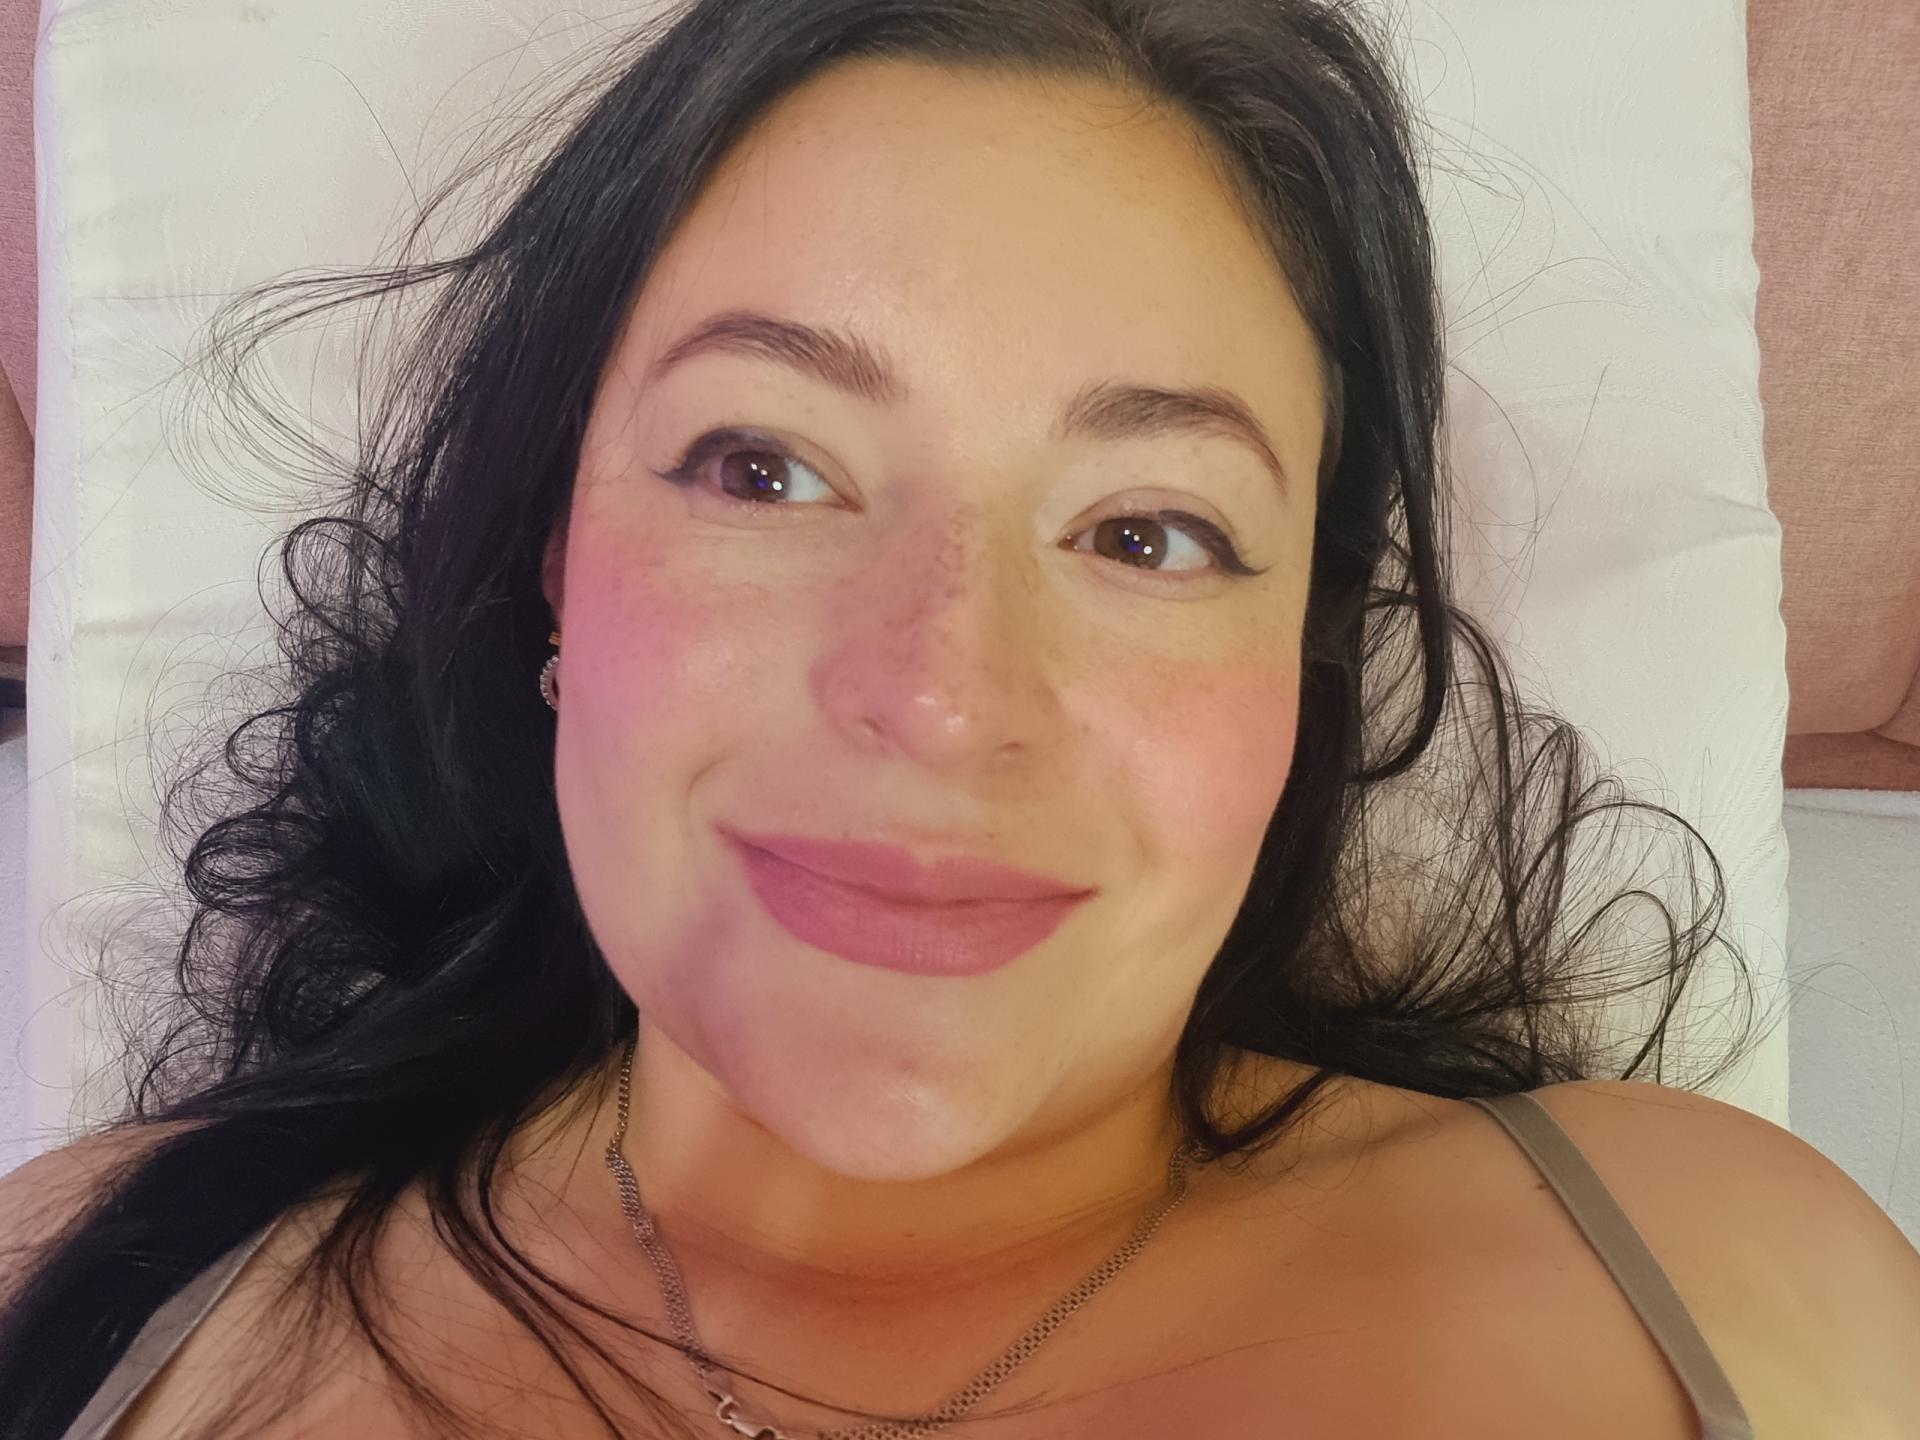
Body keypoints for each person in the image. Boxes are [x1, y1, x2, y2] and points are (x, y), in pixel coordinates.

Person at [3, 2, 1917, 1438]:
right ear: (554, 570)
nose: (937, 693)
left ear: (1301, 675)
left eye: (1148, 534)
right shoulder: (100, 1288)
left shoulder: (1731, 1282)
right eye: (764, 469)